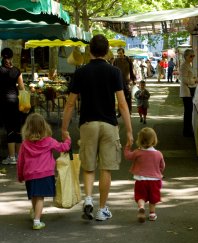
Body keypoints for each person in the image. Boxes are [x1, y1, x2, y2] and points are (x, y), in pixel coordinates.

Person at [61, 34, 134, 221]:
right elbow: (123, 103)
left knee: (88, 166)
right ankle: (102, 209)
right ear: (107, 51)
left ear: (90, 51)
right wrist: (129, 131)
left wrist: (64, 128)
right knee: (106, 168)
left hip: (88, 124)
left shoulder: (81, 72)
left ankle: (87, 200)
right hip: (109, 124)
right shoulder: (114, 72)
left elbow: (70, 103)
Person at [17, 113, 71, 230]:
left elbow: (20, 161)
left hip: (30, 175)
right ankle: (37, 220)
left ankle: (34, 212)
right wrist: (68, 140)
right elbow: (63, 148)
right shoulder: (49, 141)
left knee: (34, 196)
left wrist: (20, 175)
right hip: (45, 174)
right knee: (40, 197)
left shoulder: (25, 144)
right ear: (44, 127)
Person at [124, 127, 165, 223]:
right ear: (154, 140)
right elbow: (162, 166)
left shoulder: (137, 152)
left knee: (140, 196)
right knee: (153, 198)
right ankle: (152, 214)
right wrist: (158, 171)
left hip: (141, 180)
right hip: (155, 180)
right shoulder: (158, 154)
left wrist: (127, 147)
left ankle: (141, 207)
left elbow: (128, 156)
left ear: (140, 140)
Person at [0, 48, 27, 165]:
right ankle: (18, 155)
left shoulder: (0, 70)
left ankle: (11, 157)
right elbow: (22, 88)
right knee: (17, 128)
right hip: (16, 101)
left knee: (9, 129)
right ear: (11, 57)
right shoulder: (16, 70)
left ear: (2, 57)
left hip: (4, 103)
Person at [179, 49, 198, 137]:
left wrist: (194, 79)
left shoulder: (188, 65)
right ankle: (187, 131)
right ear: (186, 56)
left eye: (193, 56)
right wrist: (194, 81)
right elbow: (184, 79)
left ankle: (188, 130)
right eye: (191, 56)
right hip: (187, 91)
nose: (192, 58)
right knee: (188, 112)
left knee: (189, 111)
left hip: (189, 90)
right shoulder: (184, 66)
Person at [113, 48, 136, 115]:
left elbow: (131, 70)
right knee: (119, 97)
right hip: (118, 81)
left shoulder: (128, 60)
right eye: (118, 53)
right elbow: (113, 71)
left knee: (128, 96)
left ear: (123, 53)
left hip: (127, 81)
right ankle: (120, 111)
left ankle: (129, 110)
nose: (119, 55)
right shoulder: (116, 61)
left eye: (121, 53)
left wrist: (133, 79)